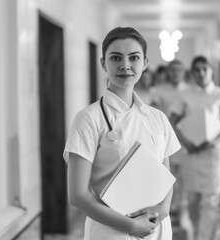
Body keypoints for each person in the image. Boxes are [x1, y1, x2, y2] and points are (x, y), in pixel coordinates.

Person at [63, 27, 181, 240]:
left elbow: (167, 181)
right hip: (110, 231)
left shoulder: (158, 118)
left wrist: (159, 214)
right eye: (116, 58)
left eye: (133, 58)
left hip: (156, 229)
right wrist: (131, 226)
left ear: (144, 63)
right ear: (103, 64)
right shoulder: (88, 119)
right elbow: (78, 196)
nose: (125, 66)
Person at [169, 55, 220, 240]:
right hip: (191, 152)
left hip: (214, 154)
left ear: (211, 70)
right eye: (196, 70)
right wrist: (185, 141)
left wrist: (214, 141)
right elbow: (172, 122)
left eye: (204, 69)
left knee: (211, 201)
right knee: (192, 199)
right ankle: (197, 230)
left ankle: (205, 238)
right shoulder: (184, 95)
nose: (200, 73)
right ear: (192, 73)